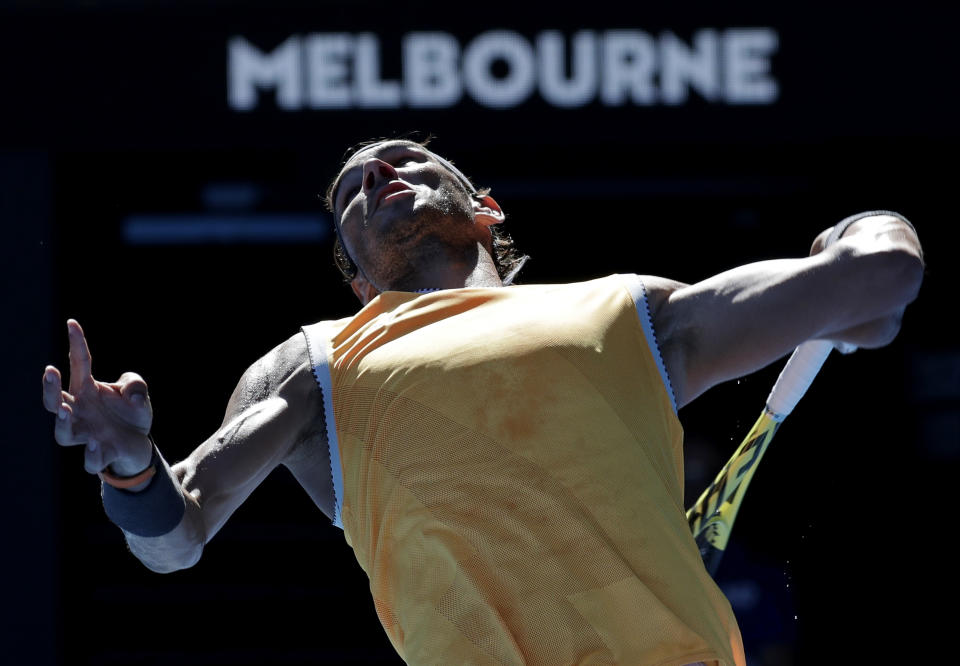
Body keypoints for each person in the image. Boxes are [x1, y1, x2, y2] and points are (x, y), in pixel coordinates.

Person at [42, 138, 924, 666]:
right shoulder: (313, 369)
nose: (380, 168)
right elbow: (175, 540)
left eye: (408, 159)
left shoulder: (631, 311)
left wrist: (867, 227)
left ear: (488, 210)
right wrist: (129, 464)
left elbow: (882, 284)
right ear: (353, 275)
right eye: (352, 189)